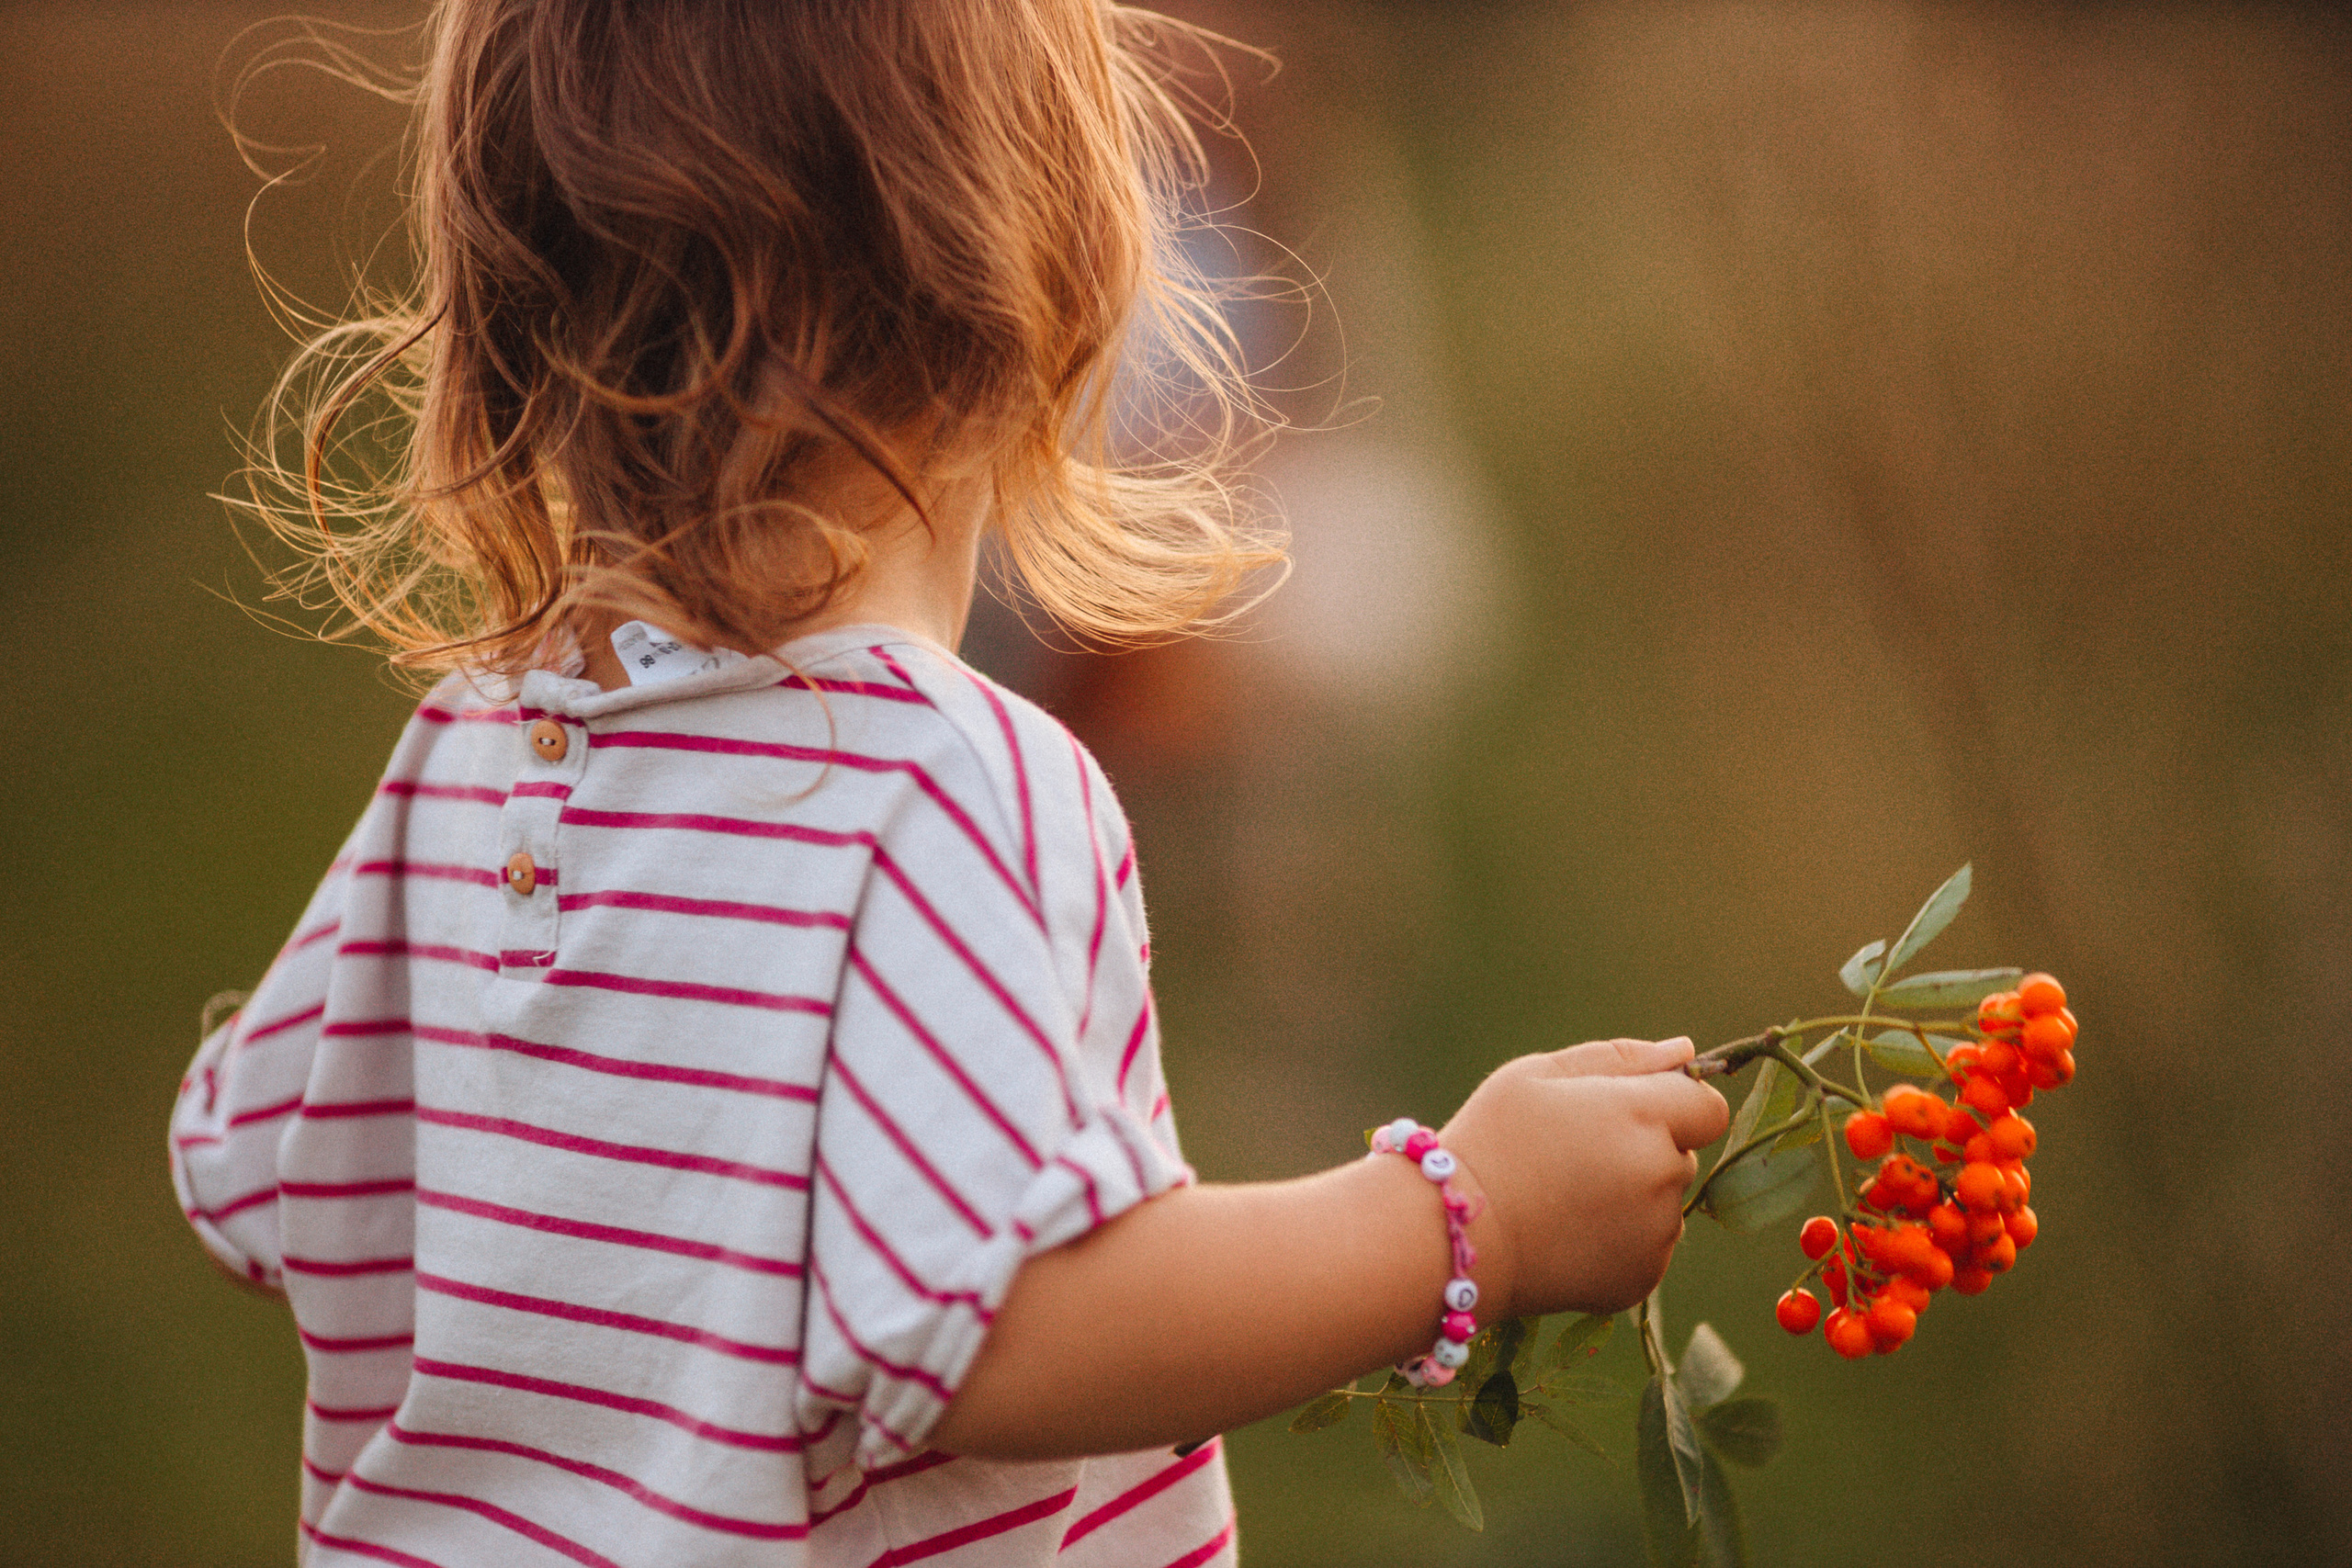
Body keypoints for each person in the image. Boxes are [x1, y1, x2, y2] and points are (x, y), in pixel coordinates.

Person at [170, 3, 1731, 1563]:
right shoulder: (938, 780)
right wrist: (1467, 1218)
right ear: (1051, 271)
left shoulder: (466, 749)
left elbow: (248, 1161)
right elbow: (1006, 1326)